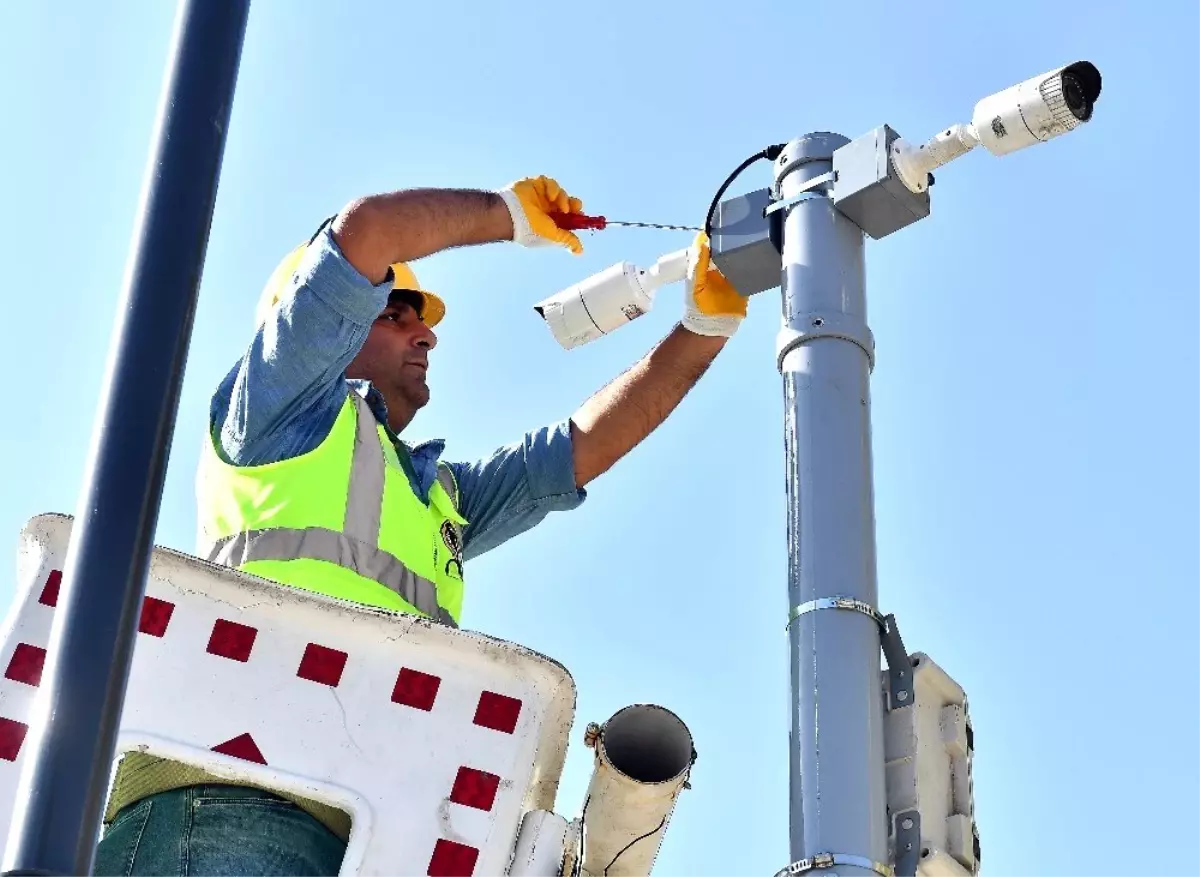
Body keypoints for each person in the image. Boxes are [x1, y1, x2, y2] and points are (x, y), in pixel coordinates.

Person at [93, 175, 749, 876]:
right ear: (320, 328)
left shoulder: (436, 497)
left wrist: (704, 328)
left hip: (367, 823)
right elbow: (368, 230)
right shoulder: (272, 414)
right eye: (396, 311)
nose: (426, 331)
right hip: (234, 792)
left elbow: (577, 449)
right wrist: (509, 215)